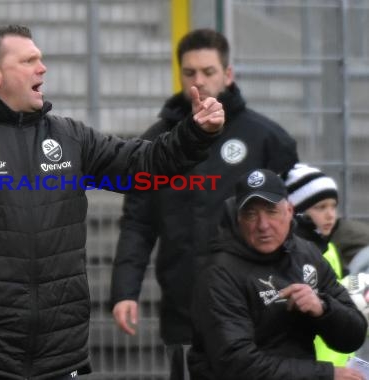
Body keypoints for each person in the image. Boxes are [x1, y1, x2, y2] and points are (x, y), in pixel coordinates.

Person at [0, 24, 225, 380]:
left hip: (58, 357)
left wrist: (196, 134)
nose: (42, 68)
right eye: (29, 60)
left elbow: (143, 167)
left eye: (41, 59)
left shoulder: (68, 136)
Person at [110, 28, 298, 380]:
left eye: (208, 72)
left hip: (258, 308)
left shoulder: (267, 138)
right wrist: (125, 291)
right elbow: (138, 222)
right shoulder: (157, 143)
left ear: (228, 74)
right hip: (185, 306)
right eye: (190, 72)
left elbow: (295, 219)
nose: (199, 81)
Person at [187, 168, 367, 380]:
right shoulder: (219, 274)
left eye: (271, 211)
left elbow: (353, 337)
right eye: (251, 214)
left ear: (289, 211)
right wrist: (325, 374)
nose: (263, 225)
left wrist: (323, 308)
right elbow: (237, 365)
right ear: (238, 218)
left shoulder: (307, 254)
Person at [284, 163, 369, 365]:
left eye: (333, 206)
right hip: (310, 365)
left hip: (339, 363)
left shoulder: (329, 248)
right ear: (296, 211)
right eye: (320, 207)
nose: (330, 214)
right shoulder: (291, 254)